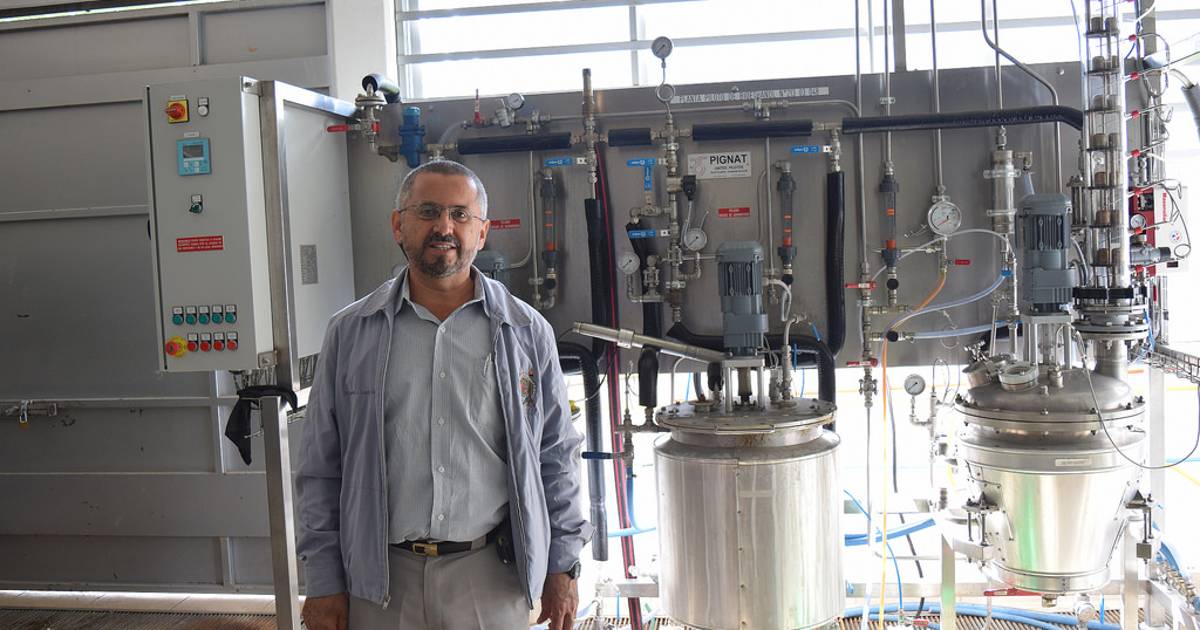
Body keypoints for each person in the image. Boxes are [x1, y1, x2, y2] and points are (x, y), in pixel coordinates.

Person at [295, 159, 589, 630]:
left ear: (482, 232)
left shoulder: (526, 332)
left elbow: (556, 456)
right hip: (379, 580)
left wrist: (564, 565)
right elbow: (320, 469)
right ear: (398, 225)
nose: (444, 227)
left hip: (490, 578)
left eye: (460, 214)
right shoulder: (350, 333)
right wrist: (323, 580)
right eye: (428, 211)